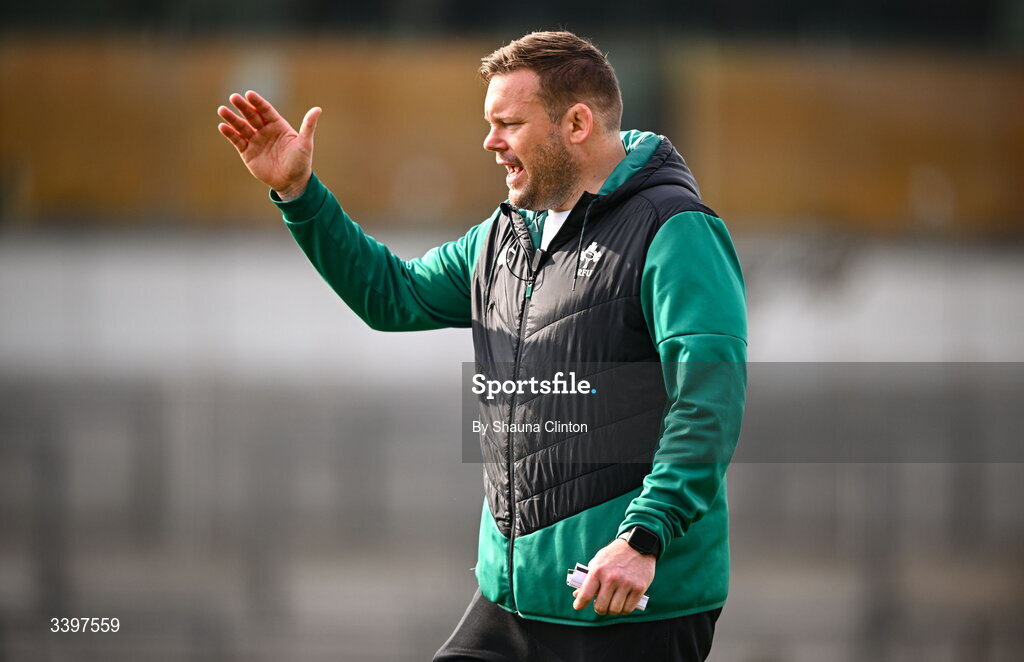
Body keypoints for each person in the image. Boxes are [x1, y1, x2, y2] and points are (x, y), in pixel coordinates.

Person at [218, 30, 747, 662]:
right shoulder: (500, 237)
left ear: (576, 123)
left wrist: (644, 539)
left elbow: (707, 400)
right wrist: (300, 195)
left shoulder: (677, 230)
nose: (490, 142)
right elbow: (392, 296)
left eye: (509, 123)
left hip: (630, 602)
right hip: (507, 599)